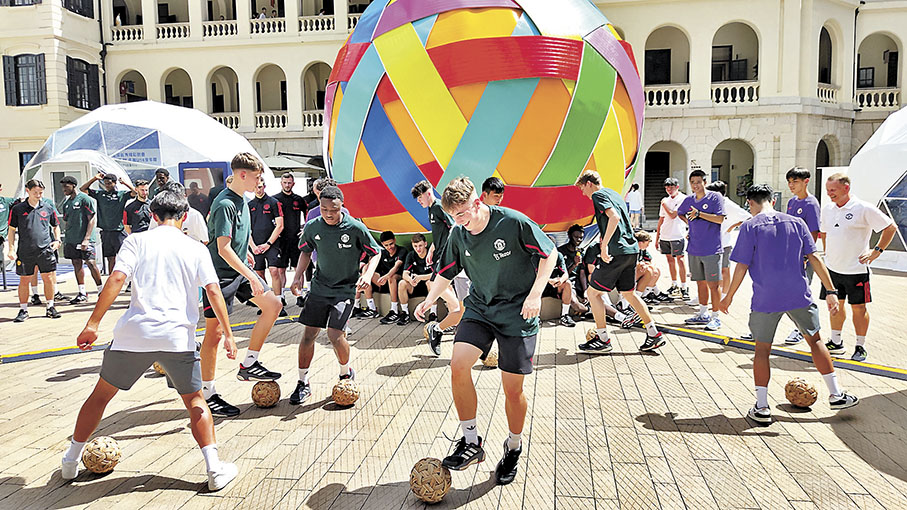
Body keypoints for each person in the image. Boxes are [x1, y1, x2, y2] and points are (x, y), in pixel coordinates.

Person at [65, 185, 239, 490]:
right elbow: (213, 291)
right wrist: (228, 334)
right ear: (184, 216)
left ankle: (70, 461)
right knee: (196, 401)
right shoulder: (196, 247)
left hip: (134, 334)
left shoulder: (136, 241)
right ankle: (214, 470)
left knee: (101, 396)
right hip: (176, 338)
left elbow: (117, 278)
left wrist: (92, 323)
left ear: (153, 215)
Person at [414, 177, 557, 486]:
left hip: (518, 312)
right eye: (454, 216)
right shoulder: (458, 233)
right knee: (458, 365)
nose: (460, 221)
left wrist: (535, 295)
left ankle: (513, 447)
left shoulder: (512, 222)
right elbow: (445, 272)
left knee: (512, 390)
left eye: (463, 214)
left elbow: (550, 254)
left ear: (477, 203)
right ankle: (471, 441)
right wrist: (429, 299)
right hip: (480, 307)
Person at [719, 184, 859, 424]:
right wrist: (831, 291)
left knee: (762, 350)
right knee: (815, 340)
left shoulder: (749, 226)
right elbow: (815, 257)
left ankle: (762, 407)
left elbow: (741, 266)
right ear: (772, 200)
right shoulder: (796, 223)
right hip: (798, 294)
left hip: (765, 298)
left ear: (750, 203)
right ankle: (836, 394)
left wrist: (729, 295)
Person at [201, 153, 283, 417]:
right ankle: (207, 393)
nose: (260, 183)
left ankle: (250, 363)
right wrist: (250, 274)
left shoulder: (243, 201)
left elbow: (242, 233)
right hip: (220, 275)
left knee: (273, 304)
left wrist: (247, 249)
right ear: (242, 175)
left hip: (239, 269)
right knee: (213, 335)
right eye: (257, 178)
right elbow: (223, 248)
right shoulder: (224, 203)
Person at [289, 186, 380, 405]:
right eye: (324, 209)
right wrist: (298, 276)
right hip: (319, 288)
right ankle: (303, 382)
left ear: (342, 206)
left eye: (334, 209)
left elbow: (376, 252)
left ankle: (344, 374)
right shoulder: (313, 227)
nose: (329, 213)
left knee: (335, 335)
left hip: (344, 290)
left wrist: (367, 274)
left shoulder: (355, 227)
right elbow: (305, 250)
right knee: (308, 335)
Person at [575, 170, 664, 352]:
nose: (583, 193)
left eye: (582, 188)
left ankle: (603, 339)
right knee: (629, 294)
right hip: (631, 250)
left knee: (593, 294)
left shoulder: (598, 195)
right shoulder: (614, 194)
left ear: (589, 184)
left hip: (617, 252)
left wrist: (604, 245)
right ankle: (653, 333)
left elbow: (613, 218)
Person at [819, 172, 896, 362]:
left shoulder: (863, 208)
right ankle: (836, 342)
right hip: (833, 269)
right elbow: (825, 232)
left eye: (833, 190)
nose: (830, 194)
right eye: (828, 190)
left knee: (859, 309)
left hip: (856, 270)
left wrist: (876, 251)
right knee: (835, 307)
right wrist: (827, 254)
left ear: (846, 188)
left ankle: (860, 346)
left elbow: (890, 227)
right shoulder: (828, 209)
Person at [411, 180, 464, 355]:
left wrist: (448, 251)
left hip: (446, 256)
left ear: (428, 192)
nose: (419, 201)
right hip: (440, 254)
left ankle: (457, 313)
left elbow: (453, 227)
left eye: (420, 198)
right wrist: (432, 248)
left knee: (435, 285)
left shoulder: (439, 207)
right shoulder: (431, 209)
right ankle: (456, 316)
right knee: (442, 287)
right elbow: (441, 232)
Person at [678, 170, 726, 331]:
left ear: (705, 182)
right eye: (692, 182)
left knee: (714, 284)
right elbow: (680, 213)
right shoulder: (688, 200)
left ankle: (716, 317)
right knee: (700, 283)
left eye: (698, 182)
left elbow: (720, 218)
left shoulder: (715, 197)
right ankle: (703, 313)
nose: (695, 185)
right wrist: (690, 224)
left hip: (712, 249)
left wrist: (699, 214)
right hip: (693, 248)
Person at [8, 180, 62, 322]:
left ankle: (50, 307)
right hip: (26, 251)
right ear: (27, 191)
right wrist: (11, 249)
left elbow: (56, 226)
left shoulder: (48, 207)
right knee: (24, 280)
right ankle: (23, 310)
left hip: (45, 250)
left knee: (48, 278)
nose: (38, 195)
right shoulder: (18, 209)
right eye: (35, 193)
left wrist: (57, 240)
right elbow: (12, 230)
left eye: (41, 193)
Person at [783, 167, 821, 345]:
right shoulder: (792, 202)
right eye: (789, 182)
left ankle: (805, 329)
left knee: (802, 293)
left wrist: (806, 257)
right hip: (790, 256)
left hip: (803, 258)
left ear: (806, 181)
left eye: (795, 182)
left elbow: (813, 233)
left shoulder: (811, 203)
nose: (791, 185)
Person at [80, 173, 135, 273]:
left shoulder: (121, 195)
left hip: (118, 231)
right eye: (105, 183)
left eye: (109, 183)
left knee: (124, 257)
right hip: (106, 232)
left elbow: (135, 192)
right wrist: (94, 179)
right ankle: (112, 279)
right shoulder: (100, 194)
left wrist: (125, 183)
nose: (107, 186)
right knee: (110, 258)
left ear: (115, 183)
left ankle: (129, 281)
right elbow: (82, 189)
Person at [59, 176, 102, 304]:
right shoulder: (67, 203)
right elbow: (67, 222)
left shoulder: (84, 199)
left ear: (73, 185)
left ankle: (101, 290)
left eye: (66, 186)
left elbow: (91, 219)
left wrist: (87, 239)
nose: (64, 189)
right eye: (62, 187)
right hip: (71, 239)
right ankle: (82, 292)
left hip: (85, 239)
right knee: (76, 263)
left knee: (91, 263)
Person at [705, 180, 752, 297]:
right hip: (708, 244)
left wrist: (733, 226)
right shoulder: (709, 204)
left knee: (724, 270)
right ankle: (709, 294)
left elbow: (748, 217)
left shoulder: (729, 205)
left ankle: (724, 294)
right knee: (708, 271)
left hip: (724, 243)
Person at [248, 179, 286, 316]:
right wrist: (252, 246)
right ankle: (266, 303)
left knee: (274, 271)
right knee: (259, 274)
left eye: (260, 187)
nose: (259, 190)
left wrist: (268, 243)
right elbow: (245, 229)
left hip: (272, 244)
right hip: (256, 245)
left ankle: (279, 302)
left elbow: (280, 225)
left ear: (264, 186)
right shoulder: (249, 205)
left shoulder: (273, 202)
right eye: (256, 187)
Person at [583, 242, 644, 328]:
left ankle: (626, 308)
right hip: (598, 278)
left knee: (629, 287)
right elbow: (590, 269)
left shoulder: (617, 246)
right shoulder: (594, 248)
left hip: (611, 274)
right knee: (595, 284)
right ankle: (621, 316)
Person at [272, 172, 307, 310]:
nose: (287, 185)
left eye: (289, 182)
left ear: (293, 183)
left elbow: (308, 215)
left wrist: (305, 228)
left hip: (296, 239)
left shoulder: (299, 199)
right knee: (281, 270)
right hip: (281, 240)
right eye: (285, 182)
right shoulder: (275, 200)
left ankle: (300, 295)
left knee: (298, 269)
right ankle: (281, 297)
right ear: (281, 183)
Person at [656, 178, 689, 301]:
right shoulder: (666, 199)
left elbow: (673, 214)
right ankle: (674, 284)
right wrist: (657, 237)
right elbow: (661, 219)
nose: (669, 189)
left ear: (677, 186)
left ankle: (684, 287)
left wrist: (663, 203)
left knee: (680, 260)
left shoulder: (682, 198)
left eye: (672, 187)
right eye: (667, 187)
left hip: (677, 234)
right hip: (665, 234)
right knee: (670, 260)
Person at [367, 231, 406, 323]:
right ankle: (371, 308)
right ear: (382, 245)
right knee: (368, 274)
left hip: (397, 282)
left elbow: (397, 266)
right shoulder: (382, 253)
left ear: (395, 240)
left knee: (392, 277)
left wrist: (387, 276)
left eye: (391, 244)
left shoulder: (402, 250)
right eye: (386, 245)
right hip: (384, 283)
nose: (389, 247)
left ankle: (394, 310)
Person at [396, 233, 432, 325]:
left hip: (429, 286)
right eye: (415, 246)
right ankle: (405, 313)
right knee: (402, 283)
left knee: (430, 283)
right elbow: (405, 274)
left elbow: (436, 275)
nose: (418, 249)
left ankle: (433, 314)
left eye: (420, 246)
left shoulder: (431, 255)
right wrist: (410, 280)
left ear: (425, 244)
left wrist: (421, 277)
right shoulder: (411, 255)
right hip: (415, 286)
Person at [633, 231, 671, 303]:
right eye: (647, 244)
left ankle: (644, 295)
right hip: (629, 274)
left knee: (656, 271)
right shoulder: (633, 249)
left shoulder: (642, 250)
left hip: (638, 271)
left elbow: (648, 259)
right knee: (649, 271)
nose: (647, 246)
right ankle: (637, 300)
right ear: (640, 243)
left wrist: (646, 264)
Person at [559, 224, 589, 301]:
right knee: (574, 302)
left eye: (581, 238)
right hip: (566, 283)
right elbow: (563, 275)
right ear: (569, 236)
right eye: (576, 237)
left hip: (578, 283)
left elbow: (582, 274)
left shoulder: (581, 252)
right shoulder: (561, 252)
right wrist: (575, 264)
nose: (578, 240)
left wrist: (585, 291)